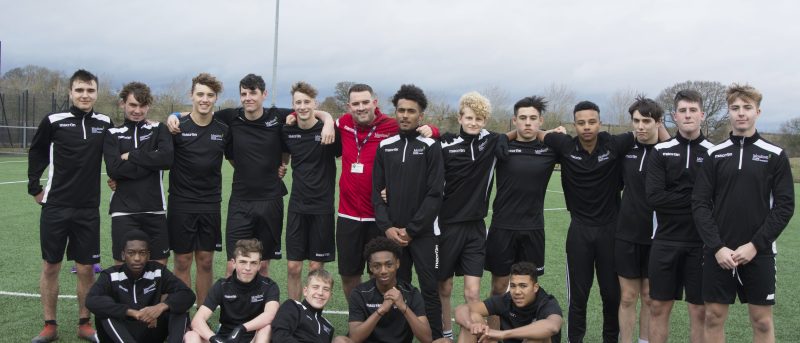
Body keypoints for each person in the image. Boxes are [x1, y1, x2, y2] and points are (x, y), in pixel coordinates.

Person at [167, 74, 334, 278]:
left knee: (262, 266)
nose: (248, 98)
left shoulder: (277, 116)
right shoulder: (230, 117)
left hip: (271, 201)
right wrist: (174, 114)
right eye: (243, 94)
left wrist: (327, 121)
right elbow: (199, 112)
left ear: (263, 94)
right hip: (240, 201)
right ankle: (232, 308)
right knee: (233, 266)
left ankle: (261, 308)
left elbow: (308, 109)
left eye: (253, 93)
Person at [693, 84, 795, 343]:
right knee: (713, 317)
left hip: (758, 253)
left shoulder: (775, 155)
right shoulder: (714, 154)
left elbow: (784, 207)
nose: (741, 113)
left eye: (747, 108)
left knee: (761, 322)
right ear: (728, 112)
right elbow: (700, 204)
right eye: (735, 108)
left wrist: (755, 246)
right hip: (719, 253)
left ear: (758, 112)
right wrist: (717, 247)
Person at [331, 84, 437, 305]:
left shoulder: (391, 125)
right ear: (348, 106)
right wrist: (320, 120)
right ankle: (358, 319)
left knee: (382, 275)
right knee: (349, 274)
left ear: (374, 102)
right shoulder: (343, 123)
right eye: (356, 104)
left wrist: (432, 130)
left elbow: (422, 131)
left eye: (365, 102)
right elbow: (309, 113)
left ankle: (384, 320)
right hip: (348, 214)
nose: (361, 108)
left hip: (379, 217)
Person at [28, 69, 113, 342]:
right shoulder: (54, 120)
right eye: (79, 90)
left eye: (90, 90)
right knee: (50, 266)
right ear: (70, 92)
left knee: (86, 269)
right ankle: (50, 325)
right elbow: (37, 151)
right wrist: (35, 187)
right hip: (56, 207)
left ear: (96, 93)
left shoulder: (105, 122)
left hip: (88, 209)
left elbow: (116, 153)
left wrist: (118, 177)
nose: (85, 95)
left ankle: (84, 323)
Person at [538, 101, 631, 343]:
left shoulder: (615, 143)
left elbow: (653, 132)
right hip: (579, 230)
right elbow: (535, 133)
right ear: (574, 125)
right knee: (578, 297)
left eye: (591, 122)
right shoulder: (564, 145)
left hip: (611, 231)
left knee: (612, 296)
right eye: (581, 123)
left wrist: (661, 125)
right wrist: (551, 132)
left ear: (600, 123)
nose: (587, 127)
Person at [372, 84, 444, 340]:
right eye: (400, 110)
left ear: (420, 115)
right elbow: (376, 192)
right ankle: (397, 338)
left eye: (410, 111)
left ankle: (434, 337)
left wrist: (412, 230)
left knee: (429, 289)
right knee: (396, 289)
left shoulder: (430, 146)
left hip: (423, 235)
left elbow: (435, 194)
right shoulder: (385, 147)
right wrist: (388, 228)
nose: (404, 115)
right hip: (393, 235)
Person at [645, 90, 713, 343]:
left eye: (693, 110)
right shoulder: (661, 151)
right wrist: (696, 199)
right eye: (682, 111)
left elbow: (714, 201)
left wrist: (675, 197)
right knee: (658, 308)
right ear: (674, 116)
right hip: (665, 241)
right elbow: (654, 198)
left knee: (699, 311)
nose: (687, 115)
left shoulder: (714, 154)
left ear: (702, 115)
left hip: (702, 244)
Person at [437, 92, 501, 340]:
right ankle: (446, 334)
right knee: (445, 287)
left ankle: (476, 337)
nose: (474, 123)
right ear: (460, 117)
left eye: (480, 119)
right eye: (470, 117)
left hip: (475, 228)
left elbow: (518, 135)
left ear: (485, 120)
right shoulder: (443, 144)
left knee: (473, 293)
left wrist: (548, 133)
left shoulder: (492, 142)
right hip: (446, 227)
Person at [485, 96, 558, 305]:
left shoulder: (551, 150)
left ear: (541, 121)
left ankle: (525, 334)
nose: (528, 122)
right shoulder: (501, 146)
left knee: (527, 288)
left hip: (533, 227)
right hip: (503, 226)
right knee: (499, 286)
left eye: (533, 118)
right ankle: (494, 336)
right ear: (514, 120)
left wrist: (551, 134)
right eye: (523, 117)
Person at [167, 73, 228, 306]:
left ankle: (202, 317)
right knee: (182, 261)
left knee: (205, 261)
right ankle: (181, 315)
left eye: (210, 95)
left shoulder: (223, 129)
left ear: (216, 98)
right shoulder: (177, 127)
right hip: (181, 203)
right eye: (200, 94)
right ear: (191, 95)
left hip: (210, 203)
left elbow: (236, 160)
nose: (204, 99)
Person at [282, 82, 341, 301]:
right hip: (297, 206)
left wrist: (328, 121)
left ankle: (311, 317)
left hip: (322, 208)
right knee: (293, 267)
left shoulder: (329, 132)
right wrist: (282, 164)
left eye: (307, 102)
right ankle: (294, 314)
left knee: (315, 268)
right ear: (293, 105)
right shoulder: (287, 130)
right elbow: (284, 154)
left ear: (315, 104)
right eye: (298, 102)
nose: (303, 106)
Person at [104, 82, 173, 266]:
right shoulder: (112, 133)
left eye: (142, 106)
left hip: (155, 209)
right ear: (122, 104)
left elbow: (166, 160)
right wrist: (151, 161)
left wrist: (131, 156)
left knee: (158, 272)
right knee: (122, 271)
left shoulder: (159, 129)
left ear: (148, 106)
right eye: (133, 105)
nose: (137, 110)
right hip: (123, 211)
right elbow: (114, 169)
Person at [86, 229, 195, 343]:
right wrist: (133, 313)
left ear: (148, 255)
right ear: (123, 255)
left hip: (151, 328)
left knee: (178, 306)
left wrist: (160, 307)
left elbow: (188, 294)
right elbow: (91, 300)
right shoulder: (111, 275)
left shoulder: (158, 271)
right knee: (104, 310)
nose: (137, 258)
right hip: (121, 333)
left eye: (142, 253)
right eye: (131, 253)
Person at [615, 96, 663, 343]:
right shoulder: (626, 150)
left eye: (646, 121)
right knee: (627, 297)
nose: (641, 126)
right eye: (636, 121)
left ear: (658, 122)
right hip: (626, 235)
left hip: (657, 237)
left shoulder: (667, 151)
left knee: (649, 298)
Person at [184, 239, 281, 343]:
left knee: (266, 329)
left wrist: (241, 328)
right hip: (225, 339)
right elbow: (197, 320)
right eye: (243, 262)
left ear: (259, 265)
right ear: (234, 263)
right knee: (191, 335)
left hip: (253, 338)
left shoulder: (269, 286)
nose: (248, 268)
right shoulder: (222, 286)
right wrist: (215, 339)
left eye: (253, 263)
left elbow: (270, 315)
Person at [348, 237, 432, 343]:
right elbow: (354, 338)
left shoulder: (411, 293)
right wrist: (381, 310)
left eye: (389, 265)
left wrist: (403, 307)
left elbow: (427, 338)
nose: (383, 271)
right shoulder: (359, 293)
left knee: (445, 342)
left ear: (397, 263)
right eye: (377, 266)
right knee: (340, 340)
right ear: (371, 267)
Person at [454, 262, 562, 343]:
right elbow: (462, 309)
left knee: (537, 335)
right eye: (513, 286)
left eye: (523, 286)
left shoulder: (547, 303)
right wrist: (470, 325)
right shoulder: (506, 300)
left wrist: (503, 334)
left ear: (535, 287)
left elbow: (552, 326)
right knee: (472, 318)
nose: (517, 292)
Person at [271, 269, 351, 342]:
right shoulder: (293, 306)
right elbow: (280, 336)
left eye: (326, 289)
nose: (320, 293)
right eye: (315, 287)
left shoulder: (328, 327)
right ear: (305, 291)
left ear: (330, 296)